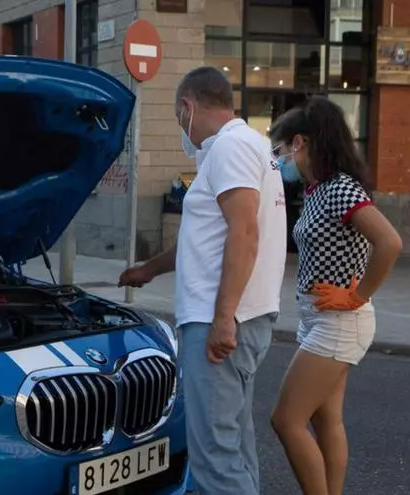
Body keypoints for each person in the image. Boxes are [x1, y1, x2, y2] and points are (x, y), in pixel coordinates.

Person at [119, 66, 286, 494]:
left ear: (188, 107)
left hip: (220, 322)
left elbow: (244, 232)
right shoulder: (249, 146)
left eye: (179, 119)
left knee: (215, 456)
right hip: (238, 317)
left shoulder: (230, 147)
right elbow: (207, 238)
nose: (182, 129)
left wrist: (223, 317)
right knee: (233, 444)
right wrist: (149, 269)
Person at [268, 96, 402, 495]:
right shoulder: (317, 190)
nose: (278, 160)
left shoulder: (340, 189)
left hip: (339, 322)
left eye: (280, 149)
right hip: (320, 318)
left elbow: (389, 242)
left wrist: (356, 296)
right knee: (327, 420)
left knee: (286, 420)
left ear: (300, 143)